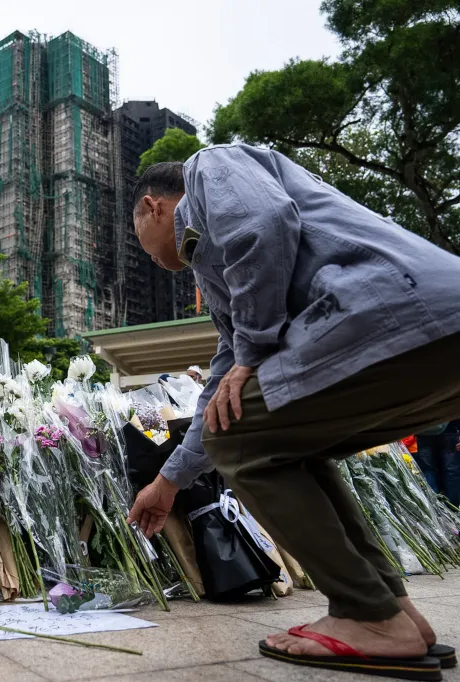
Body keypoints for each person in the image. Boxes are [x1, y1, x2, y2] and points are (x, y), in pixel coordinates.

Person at [126, 145, 460, 678]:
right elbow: (224, 384)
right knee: (274, 438)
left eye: (141, 245)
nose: (150, 257)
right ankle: (395, 613)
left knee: (238, 442)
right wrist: (169, 481)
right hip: (422, 333)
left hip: (396, 312)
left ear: (153, 206)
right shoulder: (214, 273)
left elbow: (263, 222)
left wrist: (256, 346)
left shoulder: (210, 166)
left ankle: (366, 612)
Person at [414, 421, 460, 506]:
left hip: (424, 432)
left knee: (428, 470)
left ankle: (434, 506)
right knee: (451, 471)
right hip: (449, 431)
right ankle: (452, 507)